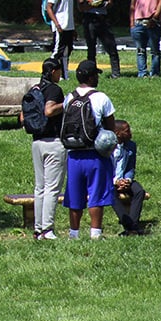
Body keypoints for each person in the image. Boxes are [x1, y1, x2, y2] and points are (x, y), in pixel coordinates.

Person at [62, 59, 117, 239]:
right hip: (95, 154)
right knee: (96, 194)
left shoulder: (69, 98)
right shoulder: (101, 98)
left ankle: (74, 233)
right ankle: (95, 232)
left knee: (74, 195)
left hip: (73, 154)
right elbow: (110, 128)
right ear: (92, 77)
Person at [25, 58, 66, 240]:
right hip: (53, 143)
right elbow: (49, 111)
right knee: (52, 188)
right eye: (60, 71)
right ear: (54, 71)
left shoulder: (34, 89)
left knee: (39, 187)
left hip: (36, 142)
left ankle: (38, 229)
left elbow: (23, 117)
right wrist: (66, 104)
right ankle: (47, 229)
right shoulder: (54, 89)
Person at [76, 0, 121, 78]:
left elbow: (110, 2)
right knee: (91, 48)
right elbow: (80, 6)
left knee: (111, 46)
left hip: (103, 18)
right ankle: (92, 72)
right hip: (89, 19)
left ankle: (116, 73)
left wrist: (102, 3)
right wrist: (89, 4)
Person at [111, 119, 146, 235]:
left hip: (124, 179)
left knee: (139, 191)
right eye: (127, 131)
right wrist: (115, 182)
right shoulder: (107, 146)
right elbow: (103, 169)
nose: (130, 133)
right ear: (117, 133)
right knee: (110, 193)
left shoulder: (131, 146)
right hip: (108, 181)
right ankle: (130, 225)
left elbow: (131, 167)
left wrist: (127, 180)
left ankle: (132, 225)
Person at [45, 0, 76, 79]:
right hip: (60, 25)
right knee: (57, 51)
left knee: (67, 51)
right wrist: (57, 24)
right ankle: (48, 72)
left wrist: (74, 27)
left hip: (69, 26)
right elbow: (49, 7)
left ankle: (64, 75)